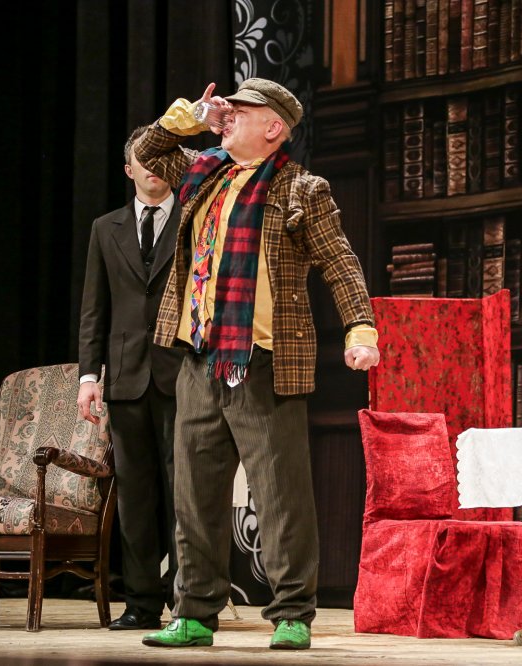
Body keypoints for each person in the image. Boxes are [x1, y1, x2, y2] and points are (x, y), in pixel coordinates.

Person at [133, 78, 380, 651]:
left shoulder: (302, 189)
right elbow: (148, 151)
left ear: (273, 127)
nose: (228, 117)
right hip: (199, 357)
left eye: (240, 111)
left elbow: (340, 264)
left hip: (263, 361)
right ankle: (195, 613)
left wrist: (360, 329)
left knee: (279, 495)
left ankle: (292, 612)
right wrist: (190, 117)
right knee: (194, 494)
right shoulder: (204, 172)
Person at [78, 126, 185, 630]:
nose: (154, 167)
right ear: (129, 169)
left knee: (185, 496)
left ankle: (189, 602)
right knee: (136, 498)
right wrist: (88, 376)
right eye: (144, 159)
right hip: (124, 379)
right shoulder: (106, 228)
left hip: (182, 374)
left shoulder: (194, 218)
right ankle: (142, 604)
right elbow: (94, 309)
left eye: (163, 157)